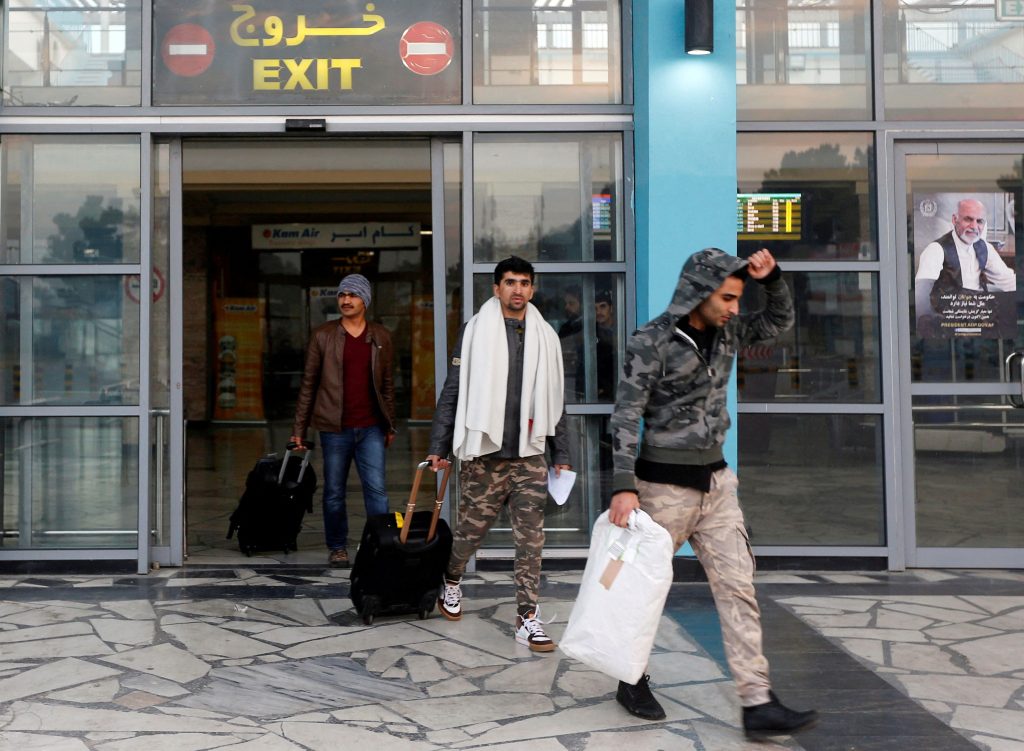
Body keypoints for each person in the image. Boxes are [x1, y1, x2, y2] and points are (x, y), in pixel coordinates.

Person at [607, 247, 818, 740]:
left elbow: (779, 322)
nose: (734, 308)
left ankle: (757, 701)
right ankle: (630, 678)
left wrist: (773, 280)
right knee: (645, 591)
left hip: (718, 486)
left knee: (739, 587)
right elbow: (625, 415)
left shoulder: (730, 333)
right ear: (698, 292)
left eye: (738, 298)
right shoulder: (651, 341)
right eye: (726, 298)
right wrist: (623, 486)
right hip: (662, 489)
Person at [427, 255, 572, 652]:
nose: (517, 289)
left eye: (524, 283)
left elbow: (555, 399)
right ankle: (452, 579)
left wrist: (562, 452)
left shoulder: (545, 335)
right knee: (469, 533)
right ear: (496, 288)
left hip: (529, 455)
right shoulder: (475, 331)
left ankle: (527, 617)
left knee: (531, 539)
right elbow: (453, 390)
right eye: (510, 282)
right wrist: (439, 446)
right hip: (485, 456)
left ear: (532, 289)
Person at [291, 273, 396, 568]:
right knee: (334, 491)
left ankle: (380, 544)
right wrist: (299, 429)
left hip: (371, 427)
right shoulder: (322, 335)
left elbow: (388, 385)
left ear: (365, 300)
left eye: (353, 294)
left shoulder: (381, 336)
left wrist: (390, 424)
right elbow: (309, 384)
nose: (346, 300)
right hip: (334, 428)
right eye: (342, 294)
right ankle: (337, 547)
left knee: (377, 491)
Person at [915, 198, 1016, 328]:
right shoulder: (936, 250)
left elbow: (1008, 281)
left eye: (979, 221)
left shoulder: (985, 248)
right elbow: (922, 298)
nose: (974, 226)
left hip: (979, 315)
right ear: (954, 220)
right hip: (948, 320)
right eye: (968, 219)